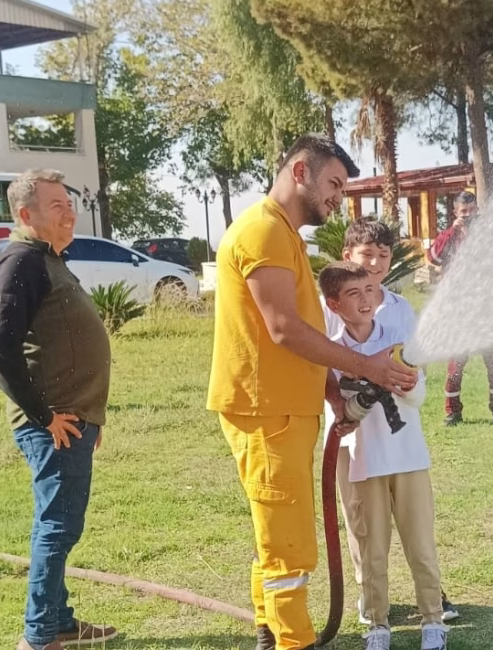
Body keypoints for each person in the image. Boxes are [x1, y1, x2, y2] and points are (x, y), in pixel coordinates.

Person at [206, 133, 418, 650]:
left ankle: (268, 630)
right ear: (300, 171)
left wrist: (330, 392)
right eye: (333, 184)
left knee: (276, 532)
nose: (337, 199)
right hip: (266, 409)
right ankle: (293, 642)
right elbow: (283, 329)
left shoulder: (282, 235)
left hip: (282, 407)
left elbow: (305, 331)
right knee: (290, 546)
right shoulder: (263, 232)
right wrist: (365, 366)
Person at [0, 169, 117, 650]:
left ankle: (59, 622)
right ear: (26, 215)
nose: (70, 211)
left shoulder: (47, 259)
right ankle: (39, 638)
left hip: (74, 417)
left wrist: (90, 413)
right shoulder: (21, 262)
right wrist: (45, 416)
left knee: (56, 522)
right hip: (53, 423)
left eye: (70, 202)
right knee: (58, 527)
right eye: (57, 205)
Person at [322, 218, 460, 626]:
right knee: (362, 522)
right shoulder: (331, 307)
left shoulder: (400, 308)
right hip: (351, 437)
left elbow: (414, 364)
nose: (377, 263)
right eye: (367, 255)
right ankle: (372, 600)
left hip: (397, 434)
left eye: (384, 255)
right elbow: (323, 365)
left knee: (414, 521)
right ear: (348, 257)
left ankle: (432, 597)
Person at [427, 191, 493, 426]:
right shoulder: (448, 236)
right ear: (455, 213)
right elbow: (432, 257)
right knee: (455, 365)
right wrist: (453, 231)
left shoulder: (488, 235)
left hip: (487, 310)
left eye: (472, 211)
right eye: (463, 212)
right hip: (458, 312)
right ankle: (452, 413)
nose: (468, 216)